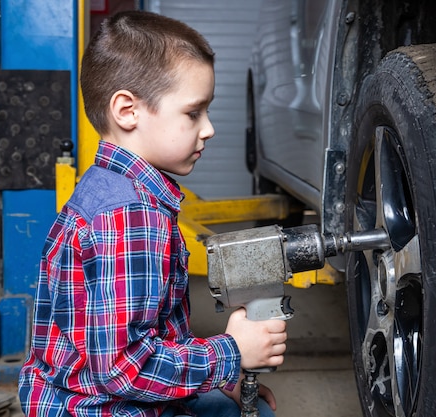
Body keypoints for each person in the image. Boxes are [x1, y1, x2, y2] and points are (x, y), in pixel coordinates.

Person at [18, 10, 287, 417]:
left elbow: (150, 332)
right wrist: (231, 353)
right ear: (127, 111)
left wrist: (219, 381)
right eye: (194, 113)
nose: (209, 128)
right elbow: (122, 369)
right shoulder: (129, 216)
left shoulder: (108, 189)